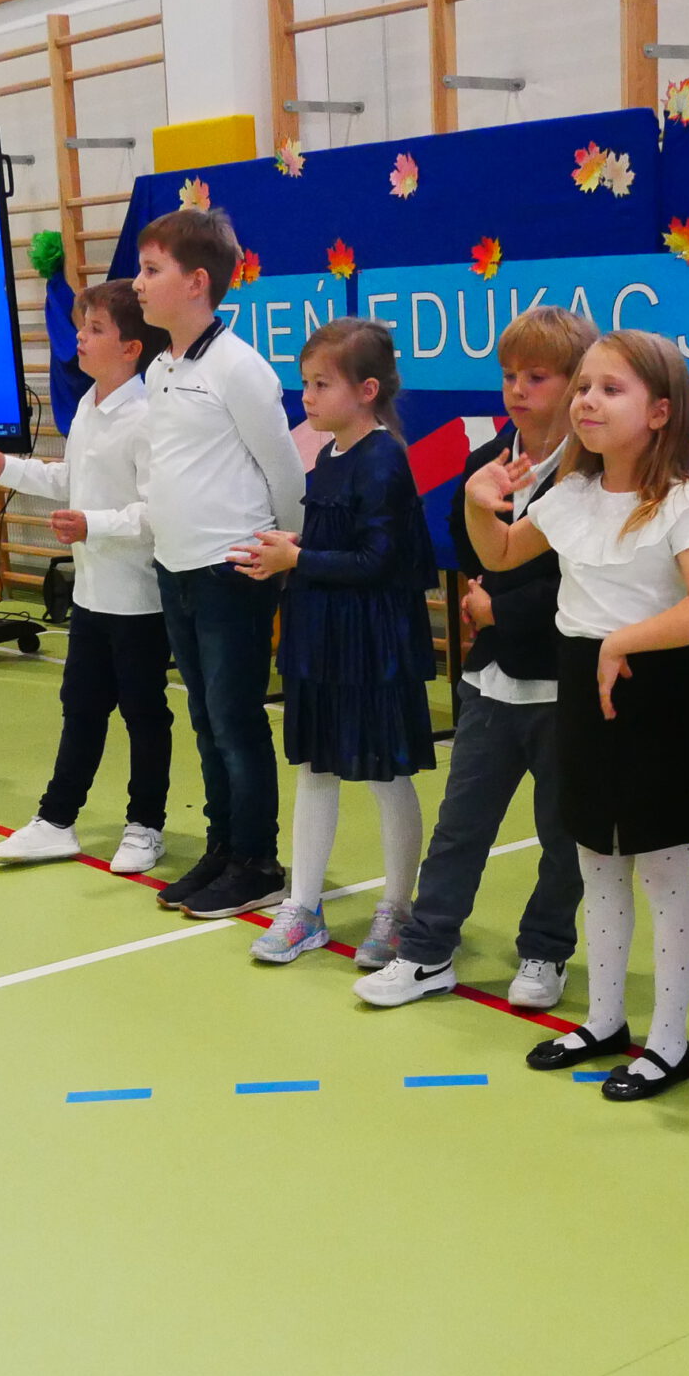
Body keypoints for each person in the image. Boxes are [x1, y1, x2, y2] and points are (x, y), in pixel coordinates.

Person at [462, 329, 689, 1101]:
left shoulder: (686, 500)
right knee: (594, 857)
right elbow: (501, 553)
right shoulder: (570, 495)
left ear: (659, 411)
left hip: (653, 692)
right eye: (583, 386)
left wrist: (625, 640)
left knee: (662, 868)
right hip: (583, 687)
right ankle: (606, 1020)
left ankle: (669, 1041)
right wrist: (479, 505)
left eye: (609, 389)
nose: (587, 400)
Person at [358, 305, 595, 1012]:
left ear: (577, 383)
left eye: (537, 376)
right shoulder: (486, 458)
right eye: (509, 375)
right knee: (461, 825)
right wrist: (480, 531)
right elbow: (468, 551)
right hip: (491, 680)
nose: (517, 389)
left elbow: (586, 580)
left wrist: (503, 608)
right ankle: (427, 951)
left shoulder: (594, 474)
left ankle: (546, 948)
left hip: (564, 681)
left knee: (564, 835)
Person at [230, 318, 435, 960]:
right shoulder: (327, 456)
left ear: (367, 390)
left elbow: (378, 560)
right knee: (315, 767)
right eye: (306, 383)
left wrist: (298, 558)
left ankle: (397, 907)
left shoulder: (385, 459)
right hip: (323, 637)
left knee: (386, 775)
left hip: (371, 645)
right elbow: (341, 542)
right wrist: (297, 545)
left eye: (322, 384)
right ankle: (303, 907)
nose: (308, 397)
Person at [133, 206, 308, 918]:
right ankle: (223, 845)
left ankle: (258, 860)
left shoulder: (240, 370)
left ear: (197, 282)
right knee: (205, 718)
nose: (138, 284)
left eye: (152, 270)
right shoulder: (160, 368)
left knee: (235, 720)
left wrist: (287, 556)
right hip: (175, 567)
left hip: (230, 571)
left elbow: (285, 472)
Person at [0, 280, 170, 872]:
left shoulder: (147, 417)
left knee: (144, 715)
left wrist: (92, 524)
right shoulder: (88, 407)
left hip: (140, 599)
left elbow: (158, 511)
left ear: (131, 348)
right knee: (80, 707)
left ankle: (146, 825)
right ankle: (56, 821)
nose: (79, 337)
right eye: (81, 326)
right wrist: (6, 468)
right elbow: (71, 481)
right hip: (92, 595)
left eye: (95, 329)